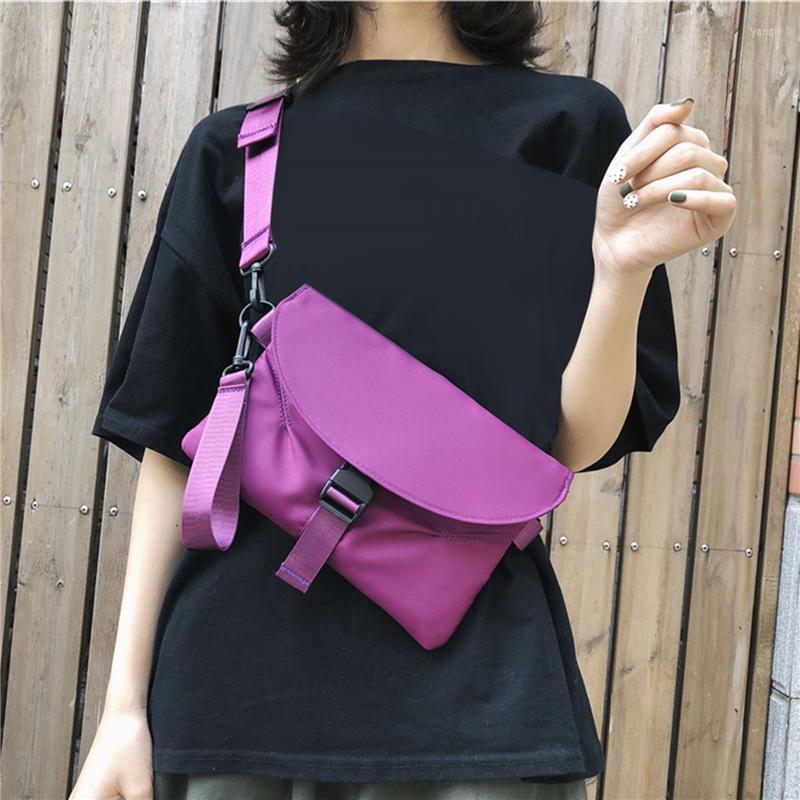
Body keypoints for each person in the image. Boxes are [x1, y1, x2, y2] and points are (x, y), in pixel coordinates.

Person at [71, 2, 735, 799]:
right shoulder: (240, 147)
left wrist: (620, 273)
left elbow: (567, 445)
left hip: (476, 704)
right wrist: (122, 711)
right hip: (231, 701)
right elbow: (174, 442)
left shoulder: (567, 128)